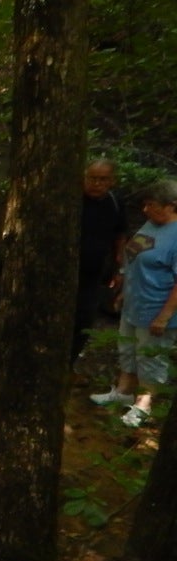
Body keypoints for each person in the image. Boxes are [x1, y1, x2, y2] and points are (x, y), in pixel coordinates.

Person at [90, 179, 177, 427]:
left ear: (171, 206)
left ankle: (143, 405)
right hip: (134, 302)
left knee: (150, 357)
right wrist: (123, 289)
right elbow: (132, 254)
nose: (145, 210)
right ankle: (123, 391)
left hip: (157, 308)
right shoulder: (151, 225)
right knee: (127, 349)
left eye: (152, 205)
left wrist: (164, 316)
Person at [73, 159, 129, 366]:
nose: (97, 184)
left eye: (103, 179)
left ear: (112, 181)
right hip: (64, 273)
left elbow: (120, 237)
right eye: (92, 178)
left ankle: (70, 365)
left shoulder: (114, 202)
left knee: (84, 320)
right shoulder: (72, 200)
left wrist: (120, 267)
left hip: (93, 274)